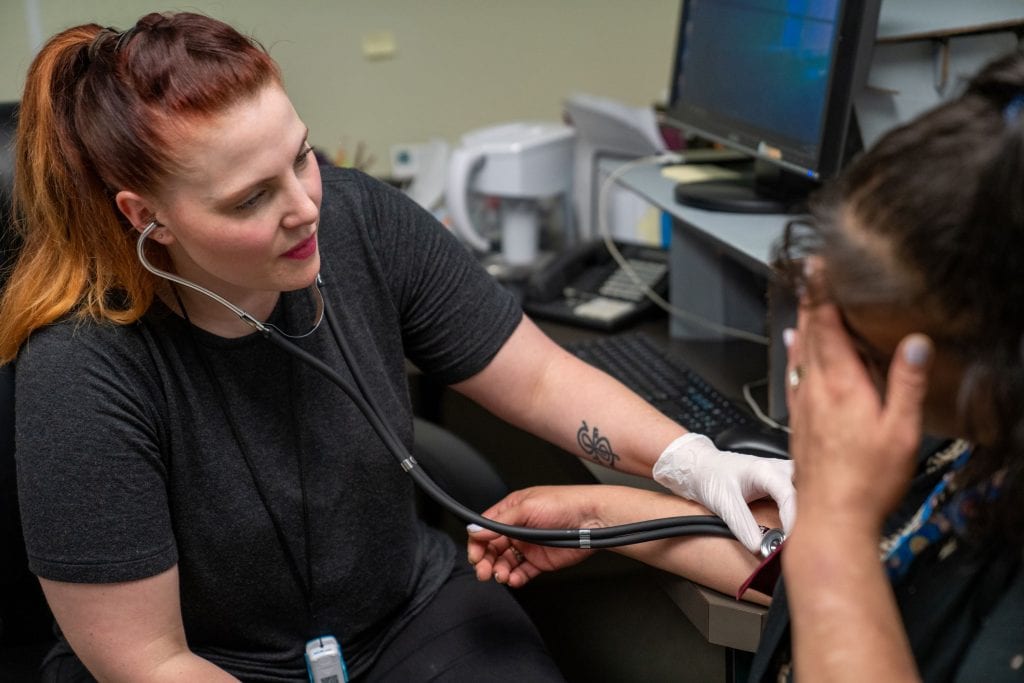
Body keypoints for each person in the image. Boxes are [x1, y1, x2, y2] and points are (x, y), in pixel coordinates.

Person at [3, 12, 796, 682]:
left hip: (405, 613)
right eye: (251, 197)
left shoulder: (360, 221)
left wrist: (693, 460)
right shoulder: (81, 368)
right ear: (148, 218)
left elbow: (544, 380)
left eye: (301, 156)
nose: (306, 207)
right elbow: (148, 660)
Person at [469, 49, 1024, 681]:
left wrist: (837, 520)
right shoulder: (969, 455)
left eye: (865, 354)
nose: (826, 381)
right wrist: (600, 515)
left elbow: (842, 576)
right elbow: (841, 574)